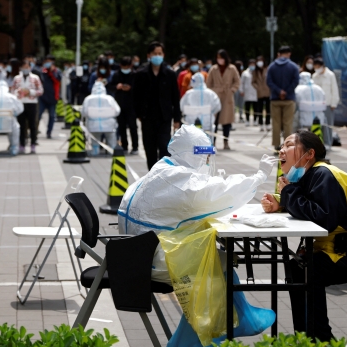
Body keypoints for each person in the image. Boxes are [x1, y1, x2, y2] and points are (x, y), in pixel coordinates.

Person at [262, 130, 347, 342]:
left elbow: (323, 219)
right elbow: (313, 207)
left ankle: (322, 342)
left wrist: (289, 195)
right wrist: (281, 203)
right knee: (298, 268)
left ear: (309, 154)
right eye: (282, 146)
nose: (281, 150)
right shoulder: (310, 176)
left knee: (309, 270)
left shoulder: (324, 174)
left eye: (289, 145)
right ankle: (307, 338)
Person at [119, 125, 277, 281]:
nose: (207, 163)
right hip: (154, 262)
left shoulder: (163, 168)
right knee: (221, 260)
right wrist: (260, 176)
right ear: (193, 155)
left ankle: (233, 308)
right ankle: (228, 308)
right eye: (205, 157)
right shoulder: (181, 181)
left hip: (135, 254)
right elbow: (219, 192)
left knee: (215, 254)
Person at [134, 41, 182, 169]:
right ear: (149, 55)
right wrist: (139, 114)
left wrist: (177, 119)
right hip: (147, 117)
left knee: (164, 148)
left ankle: (164, 177)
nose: (157, 56)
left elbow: (175, 97)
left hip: (164, 117)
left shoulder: (170, 74)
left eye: (159, 53)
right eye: (154, 53)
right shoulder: (141, 74)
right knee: (150, 150)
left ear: (163, 55)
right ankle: (152, 177)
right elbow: (136, 96)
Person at [265, 46, 300, 149]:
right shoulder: (293, 66)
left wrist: (278, 91)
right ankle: (287, 144)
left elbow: (269, 81)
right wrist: (286, 91)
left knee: (276, 123)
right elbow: (296, 81)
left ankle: (276, 144)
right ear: (289, 54)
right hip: (289, 99)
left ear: (278, 53)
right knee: (288, 123)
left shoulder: (272, 66)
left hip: (275, 99)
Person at [206, 50, 240, 150]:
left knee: (227, 121)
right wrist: (213, 91)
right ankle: (213, 142)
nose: (219, 60)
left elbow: (237, 81)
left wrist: (232, 90)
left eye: (221, 57)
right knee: (214, 121)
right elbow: (208, 83)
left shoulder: (232, 68)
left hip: (227, 96)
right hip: (216, 97)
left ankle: (226, 142)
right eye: (218, 58)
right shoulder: (213, 69)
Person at [9, 58, 43, 154]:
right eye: (23, 67)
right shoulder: (17, 78)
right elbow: (12, 91)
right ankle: (22, 144)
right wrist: (18, 92)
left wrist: (30, 92)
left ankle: (33, 144)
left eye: (27, 67)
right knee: (21, 125)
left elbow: (40, 90)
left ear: (30, 67)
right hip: (20, 103)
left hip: (32, 103)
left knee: (32, 125)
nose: (25, 69)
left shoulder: (35, 78)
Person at [108, 56, 138, 155]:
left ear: (131, 66)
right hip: (120, 104)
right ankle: (124, 145)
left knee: (133, 127)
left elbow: (140, 89)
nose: (125, 69)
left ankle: (135, 147)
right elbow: (110, 86)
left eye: (127, 67)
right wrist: (117, 87)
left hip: (132, 105)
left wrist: (131, 88)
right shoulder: (116, 75)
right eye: (123, 67)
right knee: (122, 127)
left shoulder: (135, 75)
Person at [83, 81, 121, 155]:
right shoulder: (109, 98)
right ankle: (112, 152)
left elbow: (84, 112)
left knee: (95, 140)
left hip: (93, 124)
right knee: (111, 140)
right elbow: (117, 110)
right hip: (109, 125)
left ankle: (95, 151)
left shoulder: (88, 99)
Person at [312, 57, 340, 147]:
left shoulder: (330, 75)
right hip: (317, 105)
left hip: (328, 104)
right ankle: (319, 142)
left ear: (322, 66)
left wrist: (334, 103)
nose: (316, 68)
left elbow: (334, 89)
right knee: (318, 124)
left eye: (317, 66)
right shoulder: (314, 76)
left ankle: (328, 142)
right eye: (315, 66)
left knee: (328, 124)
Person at [38, 55, 61, 140]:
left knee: (51, 116)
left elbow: (57, 80)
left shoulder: (57, 71)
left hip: (53, 97)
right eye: (46, 62)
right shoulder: (42, 71)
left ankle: (49, 132)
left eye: (50, 62)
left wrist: (52, 72)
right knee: (39, 114)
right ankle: (35, 131)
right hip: (43, 97)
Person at [253, 56, 271, 129]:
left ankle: (267, 123)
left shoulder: (267, 69)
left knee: (268, 108)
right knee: (259, 108)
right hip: (259, 92)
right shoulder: (255, 71)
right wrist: (257, 87)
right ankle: (260, 123)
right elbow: (253, 82)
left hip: (267, 91)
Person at [240, 59, 258, 126]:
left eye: (253, 64)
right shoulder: (245, 73)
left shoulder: (257, 72)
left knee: (255, 107)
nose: (252, 66)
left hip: (255, 92)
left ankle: (255, 120)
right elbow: (241, 83)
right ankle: (247, 120)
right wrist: (241, 90)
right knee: (247, 107)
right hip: (247, 92)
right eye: (251, 64)